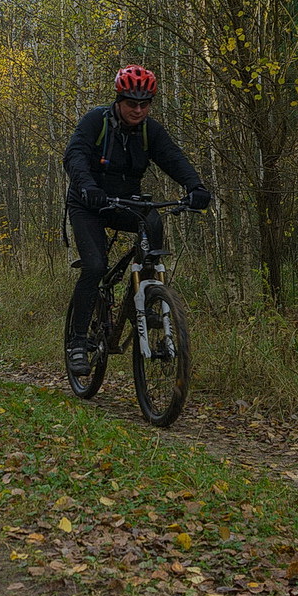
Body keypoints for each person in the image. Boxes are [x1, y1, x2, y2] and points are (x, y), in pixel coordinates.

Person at [63, 65, 211, 375]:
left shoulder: (149, 130)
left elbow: (173, 158)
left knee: (153, 224)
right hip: (88, 205)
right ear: (119, 100)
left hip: (126, 205)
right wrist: (88, 187)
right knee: (95, 266)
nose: (139, 110)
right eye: (133, 103)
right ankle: (77, 342)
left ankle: (145, 301)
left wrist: (195, 187)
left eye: (145, 104)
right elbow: (74, 155)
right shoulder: (96, 122)